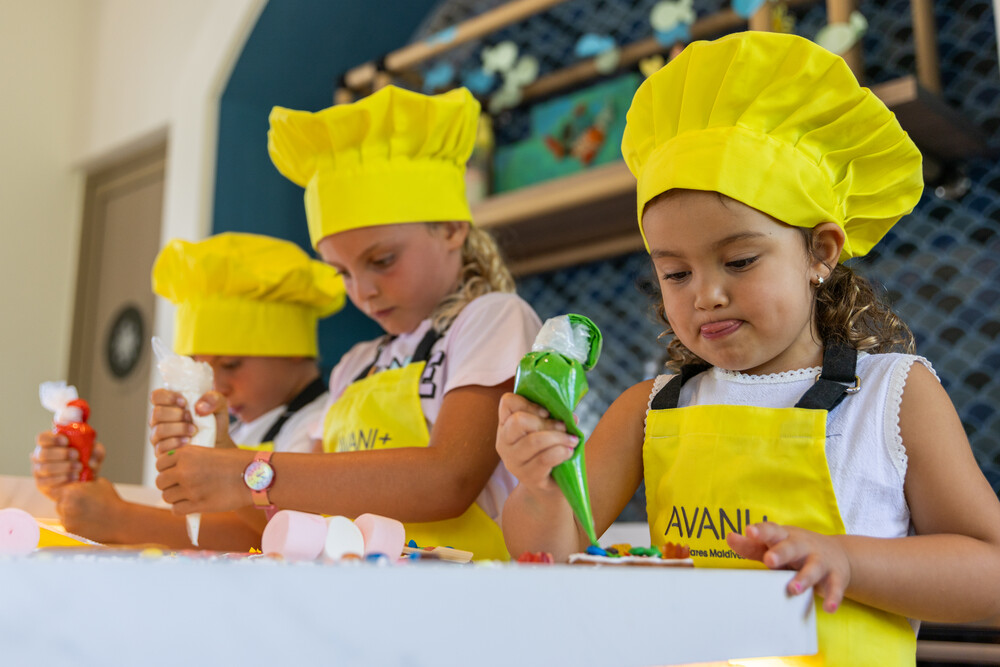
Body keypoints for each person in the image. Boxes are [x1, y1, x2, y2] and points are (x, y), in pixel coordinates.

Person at [496, 32, 1000, 665]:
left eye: (738, 260)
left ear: (820, 252)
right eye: (675, 273)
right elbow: (546, 558)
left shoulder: (892, 396)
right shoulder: (648, 410)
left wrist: (846, 558)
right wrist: (538, 483)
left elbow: (991, 573)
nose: (705, 295)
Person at [150, 86, 541, 560]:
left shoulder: (493, 319)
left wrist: (244, 470)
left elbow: (448, 479)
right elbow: (295, 520)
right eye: (343, 272)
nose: (363, 290)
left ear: (453, 229)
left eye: (382, 260)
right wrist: (223, 450)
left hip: (465, 598)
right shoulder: (355, 366)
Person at [31, 233, 344, 549]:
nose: (216, 387)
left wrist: (120, 519)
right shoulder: (242, 427)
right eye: (198, 366)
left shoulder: (322, 425)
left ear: (294, 351)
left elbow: (273, 534)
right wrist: (82, 487)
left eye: (232, 364)